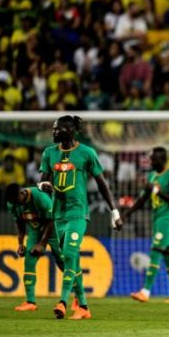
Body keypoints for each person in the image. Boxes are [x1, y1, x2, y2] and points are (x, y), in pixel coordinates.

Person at [38, 115, 122, 320]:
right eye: (53, 128)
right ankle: (83, 305)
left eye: (57, 129)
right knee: (70, 259)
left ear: (70, 130)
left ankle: (63, 302)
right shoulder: (49, 153)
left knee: (68, 253)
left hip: (78, 214)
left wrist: (115, 211)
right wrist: (43, 186)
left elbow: (102, 183)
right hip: (58, 215)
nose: (53, 132)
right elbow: (41, 182)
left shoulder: (86, 153)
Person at [122, 147, 169, 304]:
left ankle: (145, 291)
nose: (151, 162)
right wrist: (126, 215)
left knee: (156, 250)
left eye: (154, 159)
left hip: (168, 219)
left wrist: (157, 191)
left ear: (163, 160)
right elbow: (142, 199)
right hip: (157, 219)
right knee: (168, 254)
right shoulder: (151, 176)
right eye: (151, 159)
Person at [5, 183, 79, 312]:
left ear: (22, 193)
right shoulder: (12, 203)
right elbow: (19, 222)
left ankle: (79, 295)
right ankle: (30, 302)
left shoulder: (40, 198)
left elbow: (51, 220)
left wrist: (42, 244)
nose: (16, 204)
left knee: (63, 261)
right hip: (35, 230)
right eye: (13, 202)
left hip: (54, 228)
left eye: (17, 201)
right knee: (29, 260)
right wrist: (20, 244)